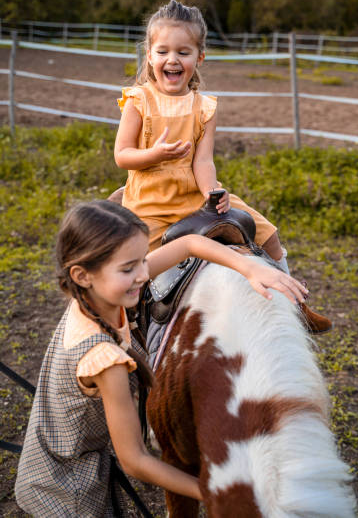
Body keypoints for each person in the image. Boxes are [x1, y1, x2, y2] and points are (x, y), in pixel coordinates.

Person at [15, 199, 308, 517]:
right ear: (82, 274)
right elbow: (135, 460)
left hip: (70, 454)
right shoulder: (104, 359)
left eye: (143, 260)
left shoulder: (94, 294)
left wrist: (249, 266)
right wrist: (211, 491)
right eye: (129, 267)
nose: (144, 275)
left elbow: (189, 244)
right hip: (68, 487)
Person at [114, 0, 331, 333]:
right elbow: (123, 155)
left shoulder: (205, 107)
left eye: (183, 52)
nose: (172, 60)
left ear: (199, 57)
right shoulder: (139, 101)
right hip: (150, 203)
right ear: (149, 55)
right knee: (133, 269)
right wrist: (154, 155)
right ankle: (125, 330)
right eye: (163, 51)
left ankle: (294, 303)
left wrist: (212, 192)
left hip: (191, 197)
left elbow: (203, 161)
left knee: (267, 233)